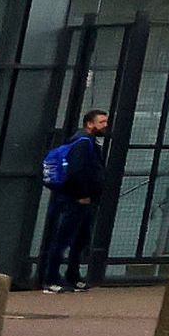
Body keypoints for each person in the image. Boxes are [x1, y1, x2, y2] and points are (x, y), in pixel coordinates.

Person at [31, 109, 113, 292]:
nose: (105, 125)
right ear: (89, 124)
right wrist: (81, 195)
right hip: (75, 200)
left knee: (79, 239)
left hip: (80, 198)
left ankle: (72, 276)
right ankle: (52, 278)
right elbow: (76, 172)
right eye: (101, 122)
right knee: (64, 239)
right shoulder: (83, 143)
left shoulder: (85, 141)